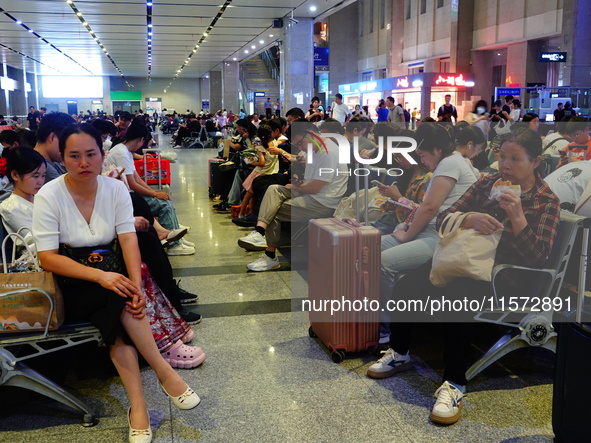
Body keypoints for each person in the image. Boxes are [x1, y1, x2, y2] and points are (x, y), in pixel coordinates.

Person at [367, 128, 560, 426]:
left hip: (507, 277)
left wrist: (518, 215)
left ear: (535, 162)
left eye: (515, 159)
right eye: (501, 156)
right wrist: (469, 218)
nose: (505, 165)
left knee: (456, 298)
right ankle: (400, 352)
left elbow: (538, 258)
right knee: (408, 283)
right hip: (463, 261)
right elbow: (444, 216)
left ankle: (455, 384)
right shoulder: (487, 183)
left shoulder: (546, 200)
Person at [33, 124, 201, 440]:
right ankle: (165, 374)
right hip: (72, 282)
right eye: (74, 156)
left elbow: (128, 240)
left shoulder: (115, 190)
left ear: (102, 156)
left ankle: (137, 406)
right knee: (117, 298)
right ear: (63, 158)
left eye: (90, 154)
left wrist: (135, 286)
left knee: (122, 305)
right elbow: (49, 258)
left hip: (114, 280)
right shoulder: (49, 195)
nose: (83, 163)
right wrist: (104, 276)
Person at [1, 146, 204, 366]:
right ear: (15, 176)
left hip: (72, 254)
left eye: (42, 175)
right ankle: (160, 343)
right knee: (125, 276)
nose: (40, 181)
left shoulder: (42, 197)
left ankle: (166, 329)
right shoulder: (14, 206)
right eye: (34, 176)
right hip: (53, 265)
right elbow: (41, 246)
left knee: (139, 258)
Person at [377, 123, 479, 343]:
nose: (421, 160)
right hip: (433, 229)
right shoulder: (455, 162)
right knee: (367, 248)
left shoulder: (450, 163)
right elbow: (427, 208)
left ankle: (388, 329)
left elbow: (430, 207)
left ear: (437, 149)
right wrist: (405, 227)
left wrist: (406, 234)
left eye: (422, 155)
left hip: (443, 235)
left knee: (382, 261)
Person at [237, 122, 349, 271]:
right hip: (310, 192)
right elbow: (307, 172)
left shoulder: (328, 153)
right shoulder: (313, 147)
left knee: (273, 211)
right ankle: (259, 232)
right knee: (273, 189)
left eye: (300, 144)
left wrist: (296, 186)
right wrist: (299, 177)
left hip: (323, 202)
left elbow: (315, 188)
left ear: (310, 134)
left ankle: (269, 256)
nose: (300, 148)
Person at [105, 120, 195, 256]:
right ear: (141, 139)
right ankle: (174, 245)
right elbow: (133, 183)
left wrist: (155, 193)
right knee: (164, 205)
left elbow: (136, 178)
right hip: (123, 196)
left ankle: (178, 239)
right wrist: (154, 194)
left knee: (164, 199)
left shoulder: (125, 151)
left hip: (126, 193)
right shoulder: (122, 153)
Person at [238, 125, 279, 219]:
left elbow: (262, 163)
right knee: (254, 195)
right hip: (271, 173)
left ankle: (242, 213)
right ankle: (251, 213)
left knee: (249, 194)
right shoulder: (275, 144)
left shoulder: (260, 148)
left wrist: (251, 163)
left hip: (260, 173)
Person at [33, 112, 76, 183]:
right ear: (52, 137)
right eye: (67, 143)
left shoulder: (53, 162)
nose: (70, 148)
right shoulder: (40, 166)